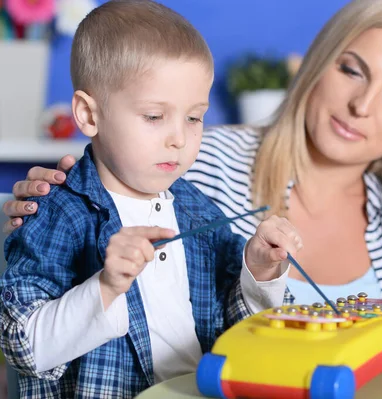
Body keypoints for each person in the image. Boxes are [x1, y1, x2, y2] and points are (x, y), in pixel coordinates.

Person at [3, 0, 382, 319]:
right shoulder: (191, 158)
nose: (361, 106)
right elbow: (70, 270)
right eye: (351, 70)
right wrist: (41, 211)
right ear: (315, 63)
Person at [0, 1, 302, 398]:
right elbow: (22, 345)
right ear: (89, 115)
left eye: (194, 117)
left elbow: (239, 328)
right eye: (155, 116)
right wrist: (106, 286)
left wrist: (259, 271)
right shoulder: (59, 214)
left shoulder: (197, 208)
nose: (179, 137)